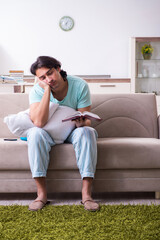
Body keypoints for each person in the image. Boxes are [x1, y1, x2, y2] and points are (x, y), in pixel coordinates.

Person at [27, 56, 99, 211]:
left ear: (58, 68)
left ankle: (86, 195)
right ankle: (41, 195)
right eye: (42, 77)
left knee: (87, 132)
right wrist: (46, 90)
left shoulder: (79, 85)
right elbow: (39, 123)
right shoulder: (37, 90)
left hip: (71, 131)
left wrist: (82, 123)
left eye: (50, 73)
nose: (48, 79)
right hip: (47, 132)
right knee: (34, 133)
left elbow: (86, 118)